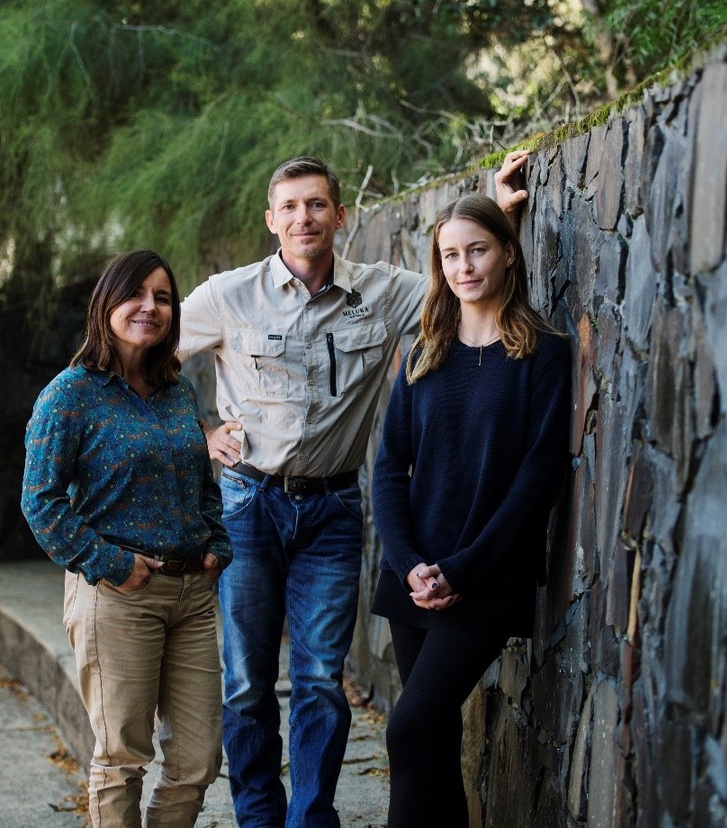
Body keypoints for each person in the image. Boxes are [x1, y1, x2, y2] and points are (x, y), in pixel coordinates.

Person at [176, 154, 521, 828]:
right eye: (289, 206)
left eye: (316, 205)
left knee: (319, 682)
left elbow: (463, 276)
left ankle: (311, 820)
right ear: (271, 220)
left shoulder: (385, 291)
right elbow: (146, 357)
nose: (303, 218)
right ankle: (259, 819)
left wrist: (500, 211)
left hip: (333, 511)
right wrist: (202, 432)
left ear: (340, 215)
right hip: (248, 506)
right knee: (246, 684)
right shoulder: (227, 295)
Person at [370, 193, 572, 828]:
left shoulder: (542, 353)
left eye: (477, 250)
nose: (464, 266)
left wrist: (461, 569)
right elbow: (388, 468)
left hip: (485, 576)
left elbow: (536, 481)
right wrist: (408, 563)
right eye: (451, 255)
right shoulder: (424, 352)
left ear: (508, 252)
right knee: (433, 740)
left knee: (409, 728)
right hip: (415, 575)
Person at [20, 249, 233, 828]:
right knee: (121, 759)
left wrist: (216, 543)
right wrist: (113, 564)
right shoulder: (71, 394)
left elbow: (201, 480)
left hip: (192, 597)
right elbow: (40, 502)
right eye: (135, 294)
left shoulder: (176, 390)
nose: (150, 307)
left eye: (162, 297)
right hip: (117, 596)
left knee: (198, 761)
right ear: (105, 304)